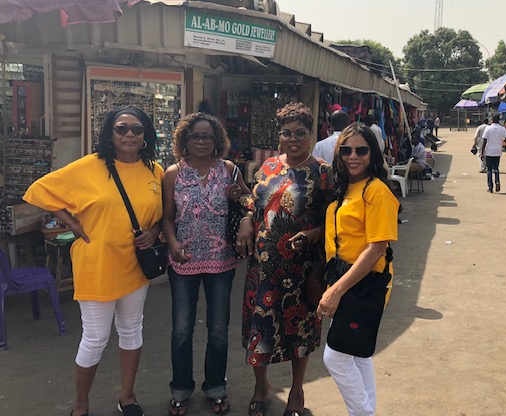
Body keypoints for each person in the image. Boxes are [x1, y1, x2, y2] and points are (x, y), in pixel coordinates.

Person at [23, 107, 163, 416]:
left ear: (146, 135)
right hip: (97, 264)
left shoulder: (155, 170)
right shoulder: (89, 166)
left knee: (131, 330)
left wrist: (154, 232)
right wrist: (72, 224)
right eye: (121, 128)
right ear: (110, 134)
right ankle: (81, 404)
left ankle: (127, 397)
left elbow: (162, 212)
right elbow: (39, 190)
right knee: (96, 338)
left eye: (137, 129)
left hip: (136, 266)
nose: (129, 134)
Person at [241, 102, 334, 416]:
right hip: (263, 266)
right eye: (286, 133)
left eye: (300, 133)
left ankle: (297, 391)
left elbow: (334, 219)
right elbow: (254, 203)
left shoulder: (323, 172)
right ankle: (261, 386)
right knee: (260, 329)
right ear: (279, 135)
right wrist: (246, 220)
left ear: (311, 134)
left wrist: (312, 235)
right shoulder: (268, 166)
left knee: (300, 330)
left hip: (301, 267)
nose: (292, 139)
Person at [162, 113, 252, 416]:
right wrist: (172, 243)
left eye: (207, 136)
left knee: (218, 330)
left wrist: (243, 208)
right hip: (183, 261)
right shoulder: (173, 173)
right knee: (181, 330)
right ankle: (180, 389)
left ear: (217, 140)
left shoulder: (229, 170)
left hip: (220, 261)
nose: (200, 141)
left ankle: (215, 388)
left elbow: (249, 202)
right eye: (194, 136)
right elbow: (167, 217)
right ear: (185, 140)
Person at [317, 123, 399, 416]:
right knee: (357, 354)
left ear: (372, 153)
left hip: (363, 282)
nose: (353, 157)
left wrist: (336, 292)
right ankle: (366, 412)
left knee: (336, 357)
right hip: (343, 276)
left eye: (361, 150)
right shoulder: (346, 188)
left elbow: (376, 248)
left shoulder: (376, 192)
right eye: (346, 150)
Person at [481, 113, 506, 193]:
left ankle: (490, 187)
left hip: (489, 151)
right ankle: (497, 181)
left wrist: (482, 152)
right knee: (496, 168)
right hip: (498, 151)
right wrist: (503, 142)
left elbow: (484, 141)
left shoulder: (488, 129)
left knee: (489, 170)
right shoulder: (502, 129)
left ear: (492, 120)